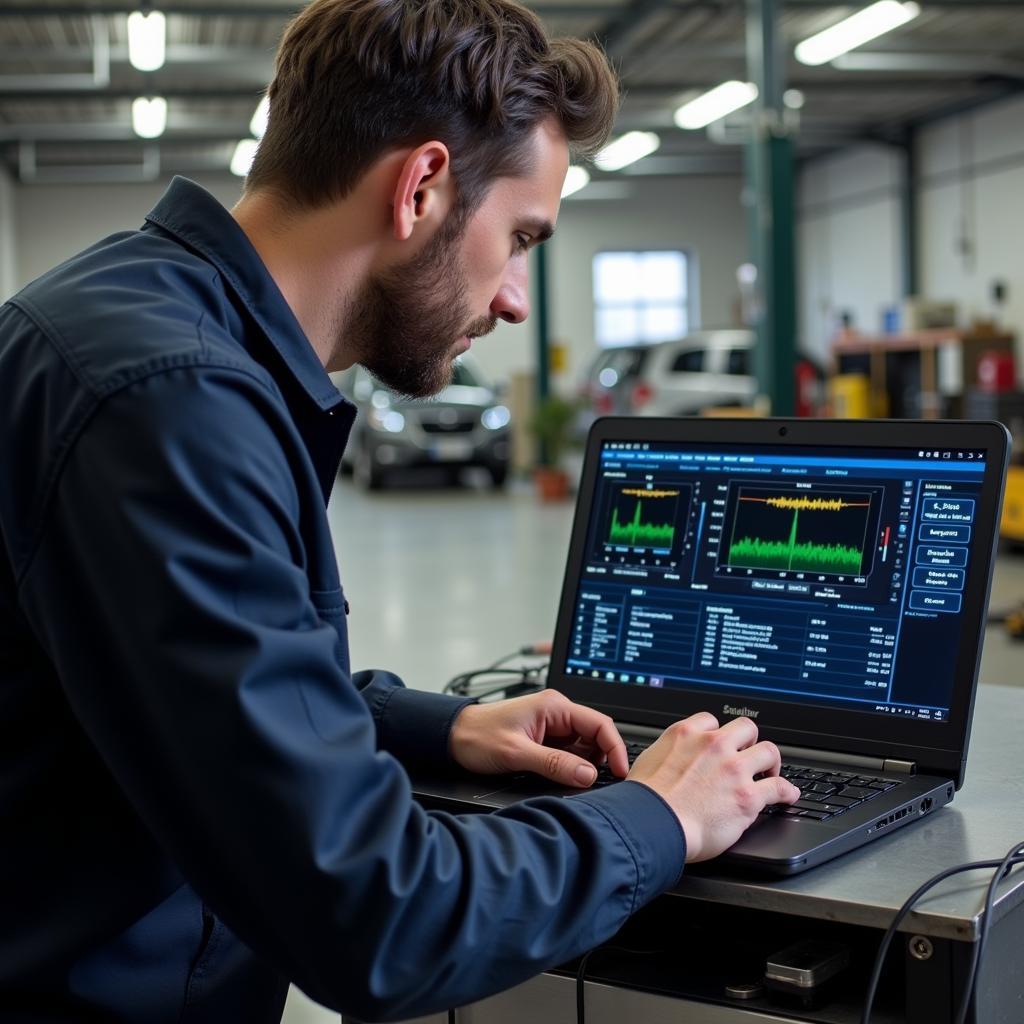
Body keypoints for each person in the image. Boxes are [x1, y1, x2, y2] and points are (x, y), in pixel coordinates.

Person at [0, 0, 800, 1020]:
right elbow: (375, 915)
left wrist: (451, 726)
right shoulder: (169, 400)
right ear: (420, 186)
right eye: (519, 237)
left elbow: (179, 687)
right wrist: (656, 814)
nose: (515, 297)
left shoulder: (147, 325)